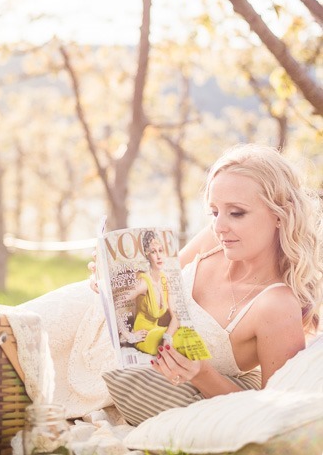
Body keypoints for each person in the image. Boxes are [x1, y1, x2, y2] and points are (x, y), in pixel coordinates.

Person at [93, 143, 323, 425]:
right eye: (214, 212)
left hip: (109, 377)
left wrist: (202, 373)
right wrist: (112, 282)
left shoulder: (276, 305)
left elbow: (272, 416)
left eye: (236, 213)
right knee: (32, 326)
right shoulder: (214, 241)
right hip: (96, 333)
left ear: (280, 214)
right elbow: (158, 286)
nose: (220, 226)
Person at [117, 230, 179, 355]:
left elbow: (176, 317)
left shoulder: (165, 280)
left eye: (160, 250)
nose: (158, 256)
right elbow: (117, 303)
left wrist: (167, 337)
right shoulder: (144, 282)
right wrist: (129, 336)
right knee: (175, 340)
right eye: (153, 252)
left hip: (157, 331)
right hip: (144, 336)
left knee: (181, 334)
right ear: (147, 255)